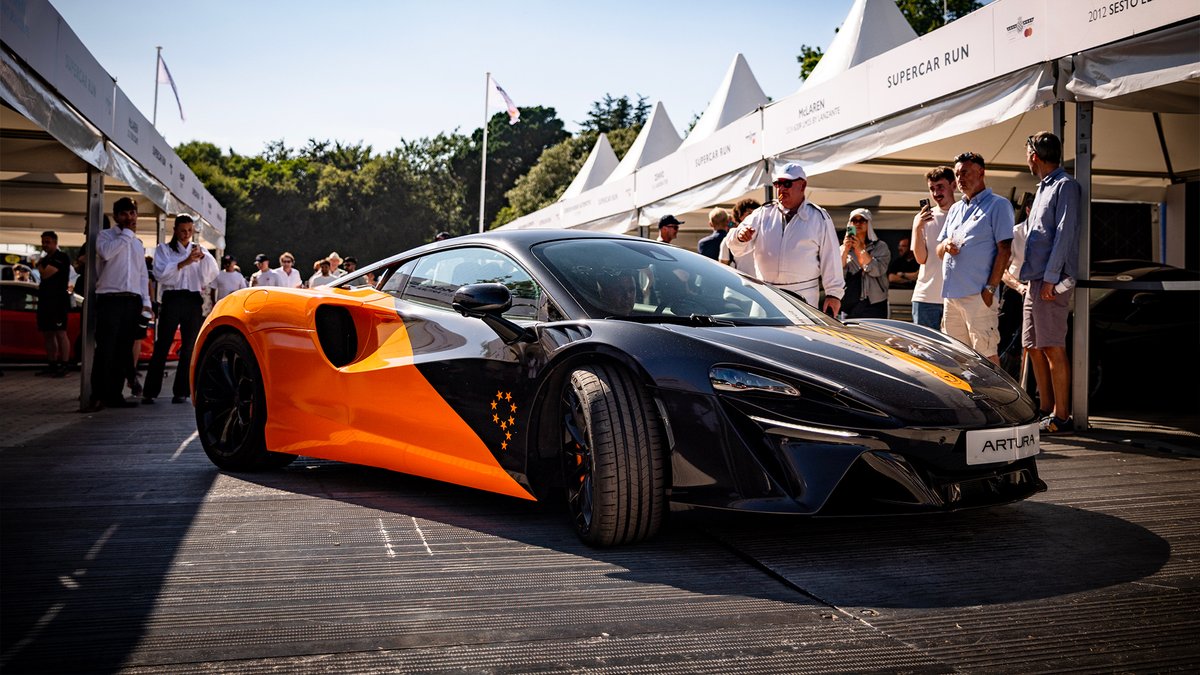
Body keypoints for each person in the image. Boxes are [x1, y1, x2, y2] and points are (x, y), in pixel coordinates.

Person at [1021, 131, 1082, 434]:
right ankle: (1044, 409)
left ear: (1034, 155)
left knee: (1053, 347)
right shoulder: (1043, 187)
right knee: (1032, 346)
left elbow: (1064, 233)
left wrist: (1050, 278)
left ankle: (1061, 415)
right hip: (1033, 279)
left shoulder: (1065, 185)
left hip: (1049, 280)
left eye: (1026, 152)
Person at [727, 163, 843, 315]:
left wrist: (833, 294)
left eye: (787, 183)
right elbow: (733, 243)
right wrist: (740, 236)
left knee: (802, 338)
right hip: (766, 294)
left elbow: (831, 257)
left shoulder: (819, 217)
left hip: (803, 298)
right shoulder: (763, 213)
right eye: (778, 184)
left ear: (802, 185)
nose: (781, 189)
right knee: (764, 338)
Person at [936, 152, 1013, 367]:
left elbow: (1005, 250)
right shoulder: (955, 209)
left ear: (981, 172)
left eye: (965, 173)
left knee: (986, 357)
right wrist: (946, 246)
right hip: (952, 296)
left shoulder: (998, 205)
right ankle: (967, 401)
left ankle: (997, 400)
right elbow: (938, 249)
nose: (960, 179)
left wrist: (989, 289)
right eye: (958, 174)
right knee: (957, 358)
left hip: (978, 295)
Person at [143, 214, 218, 405]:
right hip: (172, 299)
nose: (186, 235)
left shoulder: (199, 250)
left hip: (192, 299)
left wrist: (202, 258)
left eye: (190, 231)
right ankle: (150, 391)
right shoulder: (164, 249)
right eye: (183, 231)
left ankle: (181, 391)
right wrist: (185, 262)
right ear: (175, 230)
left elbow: (209, 275)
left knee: (189, 347)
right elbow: (161, 275)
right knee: (163, 344)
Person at [85, 197, 150, 410]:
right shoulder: (105, 237)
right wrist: (127, 234)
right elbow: (106, 253)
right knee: (106, 348)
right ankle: (98, 394)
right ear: (116, 216)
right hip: (110, 300)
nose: (129, 217)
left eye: (132, 213)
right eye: (124, 213)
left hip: (132, 301)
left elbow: (142, 275)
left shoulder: (138, 245)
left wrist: (146, 302)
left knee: (123, 350)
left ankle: (115, 394)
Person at [910, 167, 954, 330]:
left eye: (940, 187)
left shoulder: (965, 214)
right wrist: (917, 228)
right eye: (932, 189)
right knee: (924, 353)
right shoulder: (922, 218)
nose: (936, 193)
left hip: (956, 298)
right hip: (926, 297)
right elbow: (921, 259)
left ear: (953, 186)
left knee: (956, 353)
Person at [838, 208, 891, 319]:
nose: (858, 224)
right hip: (850, 302)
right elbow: (838, 274)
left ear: (869, 224)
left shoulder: (881, 247)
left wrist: (860, 249)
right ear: (850, 224)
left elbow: (877, 270)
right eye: (854, 220)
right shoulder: (843, 249)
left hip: (875, 302)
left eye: (862, 220)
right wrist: (845, 250)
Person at [34, 231, 72, 377]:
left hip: (58, 301)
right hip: (45, 300)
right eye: (43, 242)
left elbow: (45, 273)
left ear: (55, 243)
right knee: (47, 333)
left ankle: (65, 364)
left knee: (60, 333)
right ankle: (52, 364)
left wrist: (40, 265)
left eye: (48, 242)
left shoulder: (61, 257)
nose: (45, 245)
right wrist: (40, 265)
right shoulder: (45, 259)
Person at [720, 198, 761, 272]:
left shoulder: (764, 237)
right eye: (749, 213)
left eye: (756, 214)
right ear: (739, 216)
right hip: (740, 282)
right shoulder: (728, 240)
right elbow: (723, 268)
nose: (753, 217)